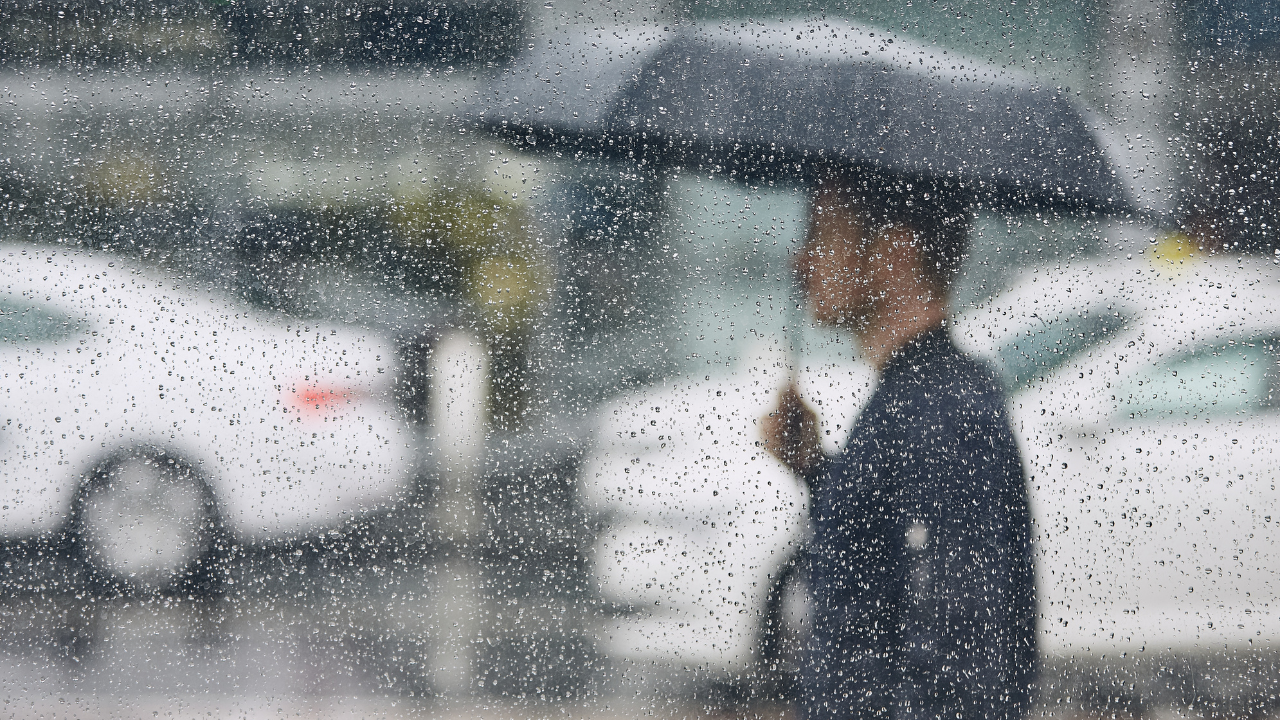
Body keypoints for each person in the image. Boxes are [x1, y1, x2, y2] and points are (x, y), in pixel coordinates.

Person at [762, 174, 1037, 720]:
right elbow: (879, 574)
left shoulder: (941, 413)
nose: (800, 263)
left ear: (893, 252)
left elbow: (964, 646)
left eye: (823, 233)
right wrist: (816, 470)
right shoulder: (918, 398)